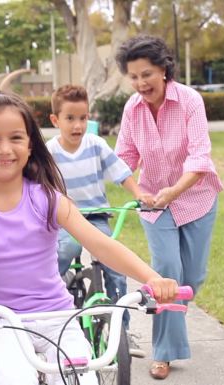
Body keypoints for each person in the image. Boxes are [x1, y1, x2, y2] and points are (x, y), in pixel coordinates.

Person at [0, 91, 179, 385]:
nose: (4, 149)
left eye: (16, 138)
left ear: (30, 146)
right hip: (2, 321)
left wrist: (152, 278)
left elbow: (100, 244)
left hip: (58, 318)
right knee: (14, 378)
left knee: (81, 380)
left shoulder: (48, 198)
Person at [114, 35, 224, 380]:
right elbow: (124, 158)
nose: (140, 83)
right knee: (166, 275)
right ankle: (164, 352)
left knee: (192, 278)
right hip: (154, 203)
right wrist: (138, 191)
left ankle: (172, 320)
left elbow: (200, 155)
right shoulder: (132, 108)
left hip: (196, 197)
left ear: (163, 70)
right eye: (133, 77)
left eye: (146, 74)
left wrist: (174, 191)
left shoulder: (190, 101)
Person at [46, 84, 150, 358]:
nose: (77, 125)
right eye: (70, 118)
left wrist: (139, 194)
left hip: (96, 216)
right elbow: (39, 185)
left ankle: (122, 331)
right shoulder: (49, 152)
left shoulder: (96, 145)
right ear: (55, 120)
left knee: (116, 268)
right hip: (66, 220)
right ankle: (49, 314)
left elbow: (120, 172)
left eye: (82, 118)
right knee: (64, 252)